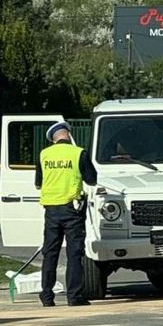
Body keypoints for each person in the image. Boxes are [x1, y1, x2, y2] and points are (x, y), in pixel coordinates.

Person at [35, 121, 97, 307]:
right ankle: (74, 296)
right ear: (68, 135)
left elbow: (38, 183)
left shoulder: (44, 155)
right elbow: (92, 180)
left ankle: (46, 296)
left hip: (51, 211)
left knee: (50, 253)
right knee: (74, 254)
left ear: (53, 139)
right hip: (72, 209)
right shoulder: (78, 153)